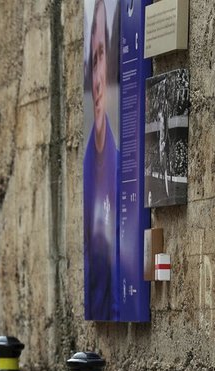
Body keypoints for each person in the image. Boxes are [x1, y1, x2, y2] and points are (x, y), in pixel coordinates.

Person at [83, 0, 119, 320]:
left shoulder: (119, 160)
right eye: (93, 62)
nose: (97, 78)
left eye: (102, 57)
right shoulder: (85, 164)